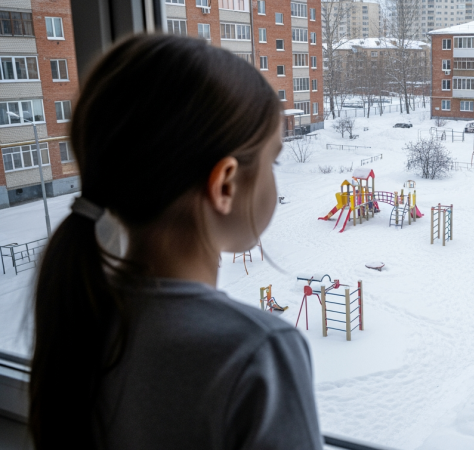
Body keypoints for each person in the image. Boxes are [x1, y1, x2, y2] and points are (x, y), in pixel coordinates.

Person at [29, 35, 322, 449]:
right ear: (225, 184)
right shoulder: (258, 353)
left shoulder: (82, 312)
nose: (277, 174)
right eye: (273, 160)